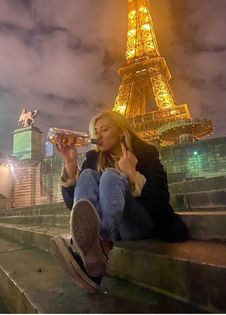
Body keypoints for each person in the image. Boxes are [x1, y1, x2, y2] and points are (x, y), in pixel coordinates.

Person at [51, 110, 189, 293]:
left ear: (121, 132)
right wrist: (70, 163)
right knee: (86, 175)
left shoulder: (146, 153)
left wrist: (132, 174)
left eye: (104, 130)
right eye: (96, 132)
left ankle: (97, 245)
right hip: (111, 227)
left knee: (110, 175)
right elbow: (75, 207)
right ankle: (94, 252)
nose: (98, 135)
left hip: (138, 224)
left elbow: (161, 204)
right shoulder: (93, 158)